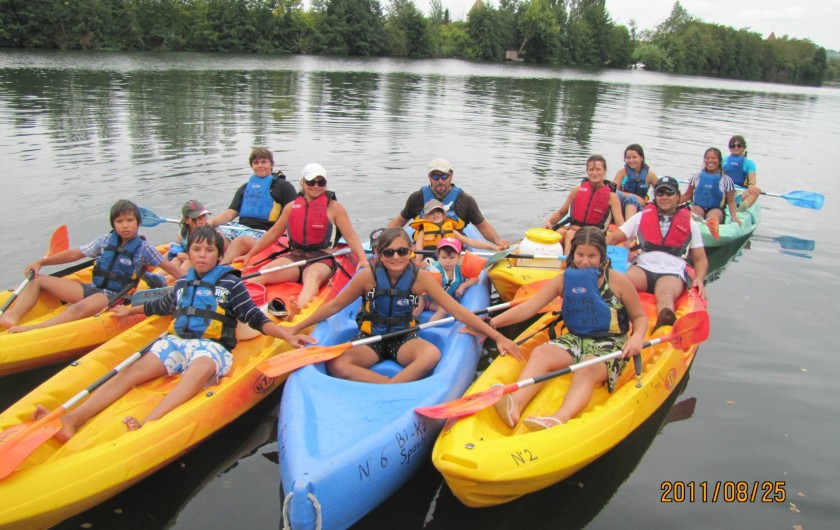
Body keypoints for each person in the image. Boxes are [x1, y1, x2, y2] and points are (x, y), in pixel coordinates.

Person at [31, 226, 314, 441]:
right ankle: (72, 420)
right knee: (130, 372)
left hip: (212, 347)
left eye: (209, 251)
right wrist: (129, 311)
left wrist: (287, 335)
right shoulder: (182, 284)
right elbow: (160, 305)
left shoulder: (230, 284)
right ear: (189, 252)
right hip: (177, 342)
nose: (202, 256)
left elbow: (254, 317)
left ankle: (149, 423)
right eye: (197, 250)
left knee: (198, 371)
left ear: (218, 255)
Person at [287, 228, 520, 384]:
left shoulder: (420, 278)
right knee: (338, 364)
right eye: (388, 252)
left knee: (430, 355)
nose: (396, 257)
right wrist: (296, 328)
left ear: (410, 252)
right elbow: (334, 305)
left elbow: (458, 310)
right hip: (370, 337)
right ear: (378, 253)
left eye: (402, 251)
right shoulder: (366, 277)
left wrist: (497, 336)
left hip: (404, 338)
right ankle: (388, 386)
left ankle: (392, 388)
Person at [486, 227, 648, 430]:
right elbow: (529, 308)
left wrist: (637, 338)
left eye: (592, 255)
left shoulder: (617, 281)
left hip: (611, 343)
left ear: (602, 255)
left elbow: (640, 317)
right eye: (580, 254)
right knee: (542, 352)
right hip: (576, 338)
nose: (585, 261)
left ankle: (559, 418)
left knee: (586, 369)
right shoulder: (564, 280)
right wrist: (491, 324)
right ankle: (515, 405)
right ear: (573, 254)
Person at [0, 200, 182, 332]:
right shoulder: (104, 241)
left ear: (138, 223)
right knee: (38, 280)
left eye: (129, 220)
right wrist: (41, 262)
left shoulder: (144, 249)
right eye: (119, 221)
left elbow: (174, 271)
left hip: (114, 297)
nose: (125, 226)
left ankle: (34, 329)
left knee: (76, 309)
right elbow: (74, 254)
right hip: (93, 289)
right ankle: (12, 316)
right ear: (114, 224)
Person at [235, 163, 368, 309]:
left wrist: (362, 258)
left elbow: (350, 235)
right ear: (302, 182)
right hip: (296, 256)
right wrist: (250, 254)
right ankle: (239, 305)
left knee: (312, 277)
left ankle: (297, 311)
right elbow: (273, 233)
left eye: (321, 182)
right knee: (264, 273)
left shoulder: (335, 208)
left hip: (322, 259)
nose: (316, 186)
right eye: (311, 182)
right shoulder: (291, 207)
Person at [607, 177, 709, 330]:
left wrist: (700, 279)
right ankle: (612, 320)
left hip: (671, 272)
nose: (664, 197)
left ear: (678, 197)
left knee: (665, 295)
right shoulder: (641, 217)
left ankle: (664, 325)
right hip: (643, 269)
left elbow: (700, 259)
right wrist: (592, 251)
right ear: (655, 196)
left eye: (669, 193)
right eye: (660, 193)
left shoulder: (690, 223)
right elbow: (614, 238)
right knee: (621, 284)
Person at [388, 158, 510, 249]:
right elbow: (399, 221)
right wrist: (383, 241)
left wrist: (497, 241)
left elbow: (482, 225)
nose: (440, 181)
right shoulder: (417, 198)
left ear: (451, 175)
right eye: (435, 177)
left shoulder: (465, 200)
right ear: (429, 177)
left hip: (453, 252)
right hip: (426, 251)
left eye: (444, 176)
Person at [209, 147, 297, 264]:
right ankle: (213, 259)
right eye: (256, 162)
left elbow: (294, 215)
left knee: (240, 242)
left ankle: (219, 269)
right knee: (211, 233)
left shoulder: (284, 187)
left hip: (264, 233)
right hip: (240, 229)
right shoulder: (245, 188)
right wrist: (210, 223)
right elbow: (230, 213)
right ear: (252, 166)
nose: (260, 165)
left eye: (264, 162)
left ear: (271, 164)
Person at [543, 154, 625, 255]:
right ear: (587, 172)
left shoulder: (612, 197)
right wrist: (548, 222)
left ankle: (568, 264)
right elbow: (561, 212)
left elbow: (621, 225)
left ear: (605, 171)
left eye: (598, 169)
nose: (594, 173)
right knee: (560, 233)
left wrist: (624, 242)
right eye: (591, 170)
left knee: (570, 234)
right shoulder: (577, 190)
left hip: (594, 237)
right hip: (573, 230)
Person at [410, 199, 500, 260]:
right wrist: (418, 264)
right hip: (431, 260)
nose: (435, 214)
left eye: (438, 211)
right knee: (427, 261)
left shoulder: (452, 231)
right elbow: (419, 253)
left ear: (443, 214)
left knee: (462, 259)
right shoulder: (423, 232)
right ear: (426, 217)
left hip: (449, 260)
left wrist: (493, 247)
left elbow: (470, 242)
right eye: (431, 213)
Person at [421, 237, 481, 322]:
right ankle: (408, 328)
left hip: (437, 303)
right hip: (425, 299)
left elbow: (475, 278)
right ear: (438, 256)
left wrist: (462, 286)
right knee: (417, 308)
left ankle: (428, 328)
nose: (448, 261)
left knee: (443, 310)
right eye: (444, 257)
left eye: (452, 257)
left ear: (458, 257)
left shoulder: (460, 269)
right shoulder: (434, 269)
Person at [681, 147, 742, 226]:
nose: (710, 161)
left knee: (712, 218)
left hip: (716, 210)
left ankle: (710, 225)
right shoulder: (696, 177)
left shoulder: (726, 180)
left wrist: (734, 217)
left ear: (720, 161)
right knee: (693, 216)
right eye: (707, 158)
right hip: (698, 207)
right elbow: (687, 195)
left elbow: (731, 201)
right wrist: (672, 205)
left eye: (713, 158)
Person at [167, 199, 230, 275]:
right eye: (196, 217)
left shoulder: (213, 234)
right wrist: (179, 252)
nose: (201, 220)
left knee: (188, 262)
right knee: (176, 260)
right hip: (192, 258)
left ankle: (166, 280)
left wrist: (189, 257)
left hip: (205, 262)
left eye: (203, 216)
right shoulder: (183, 234)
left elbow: (219, 256)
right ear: (186, 220)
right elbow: (177, 247)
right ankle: (155, 278)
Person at [612, 144, 659, 219]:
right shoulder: (621, 173)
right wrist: (634, 197)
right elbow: (612, 192)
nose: (631, 160)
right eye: (628, 158)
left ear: (641, 158)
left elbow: (660, 192)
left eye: (634, 157)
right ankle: (628, 227)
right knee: (631, 198)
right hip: (622, 208)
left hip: (640, 208)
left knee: (632, 200)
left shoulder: (650, 175)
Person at [722, 135, 761, 210]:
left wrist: (751, 185)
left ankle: (741, 208)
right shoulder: (724, 159)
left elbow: (752, 182)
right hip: (725, 189)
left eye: (739, 146)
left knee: (757, 190)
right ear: (730, 148)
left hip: (740, 192)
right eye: (733, 146)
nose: (736, 148)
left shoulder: (749, 163)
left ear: (744, 147)